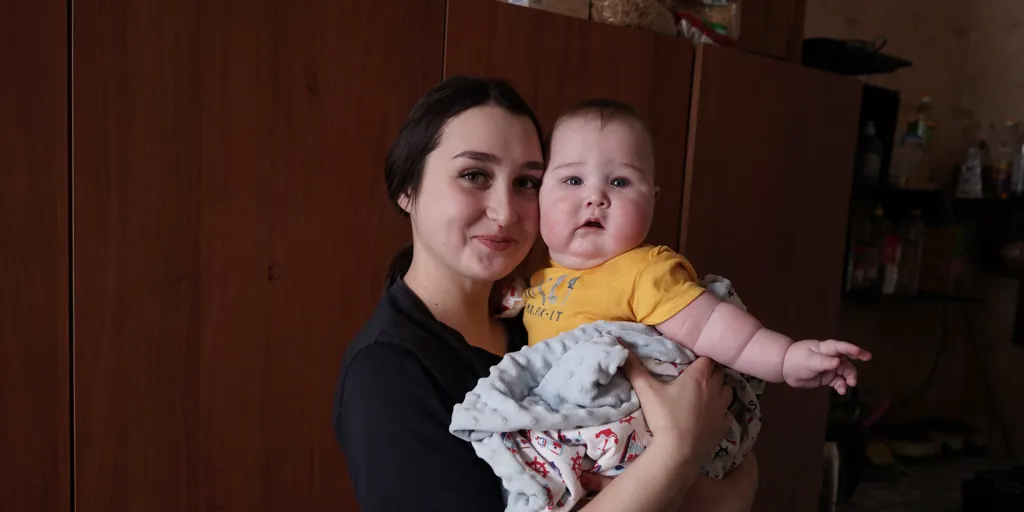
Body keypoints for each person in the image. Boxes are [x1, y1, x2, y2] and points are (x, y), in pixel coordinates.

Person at [333, 77, 758, 511]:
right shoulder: (387, 373)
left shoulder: (546, 311)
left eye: (527, 183)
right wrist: (676, 452)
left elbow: (738, 472)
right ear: (407, 189)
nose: (504, 212)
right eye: (474, 175)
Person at [525, 99, 872, 395]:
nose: (595, 197)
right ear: (538, 192)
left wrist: (786, 359)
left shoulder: (644, 273)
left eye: (620, 182)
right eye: (573, 180)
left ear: (652, 202)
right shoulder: (534, 270)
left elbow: (719, 332)